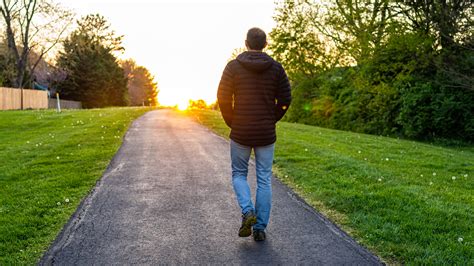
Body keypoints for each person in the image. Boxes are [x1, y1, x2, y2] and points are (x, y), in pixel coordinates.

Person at [217, 27, 291, 241]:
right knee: (264, 178)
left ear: (246, 43)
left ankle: (247, 210)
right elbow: (285, 99)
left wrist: (232, 121)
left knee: (239, 173)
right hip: (266, 133)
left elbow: (222, 97)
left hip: (241, 130)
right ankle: (259, 228)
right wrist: (272, 118)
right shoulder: (276, 68)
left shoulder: (233, 67)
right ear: (265, 44)